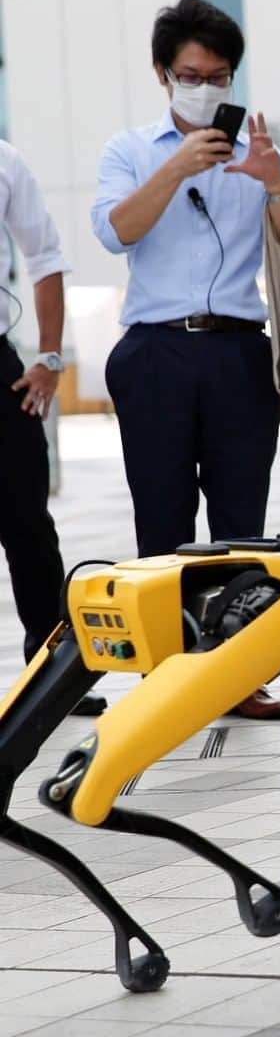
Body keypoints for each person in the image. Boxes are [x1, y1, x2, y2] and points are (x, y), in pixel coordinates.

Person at [91, 0, 280, 721]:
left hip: (239, 350)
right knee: (164, 516)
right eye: (190, 73)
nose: (205, 87)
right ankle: (171, 673)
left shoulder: (257, 148)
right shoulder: (129, 151)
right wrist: (177, 167)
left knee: (242, 520)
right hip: (155, 351)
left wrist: (274, 185)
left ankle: (240, 671)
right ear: (162, 73)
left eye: (219, 75)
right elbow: (117, 231)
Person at [0, 142, 103, 716]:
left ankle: (51, 672)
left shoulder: (7, 162)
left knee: (28, 526)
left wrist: (49, 357)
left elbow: (44, 257)